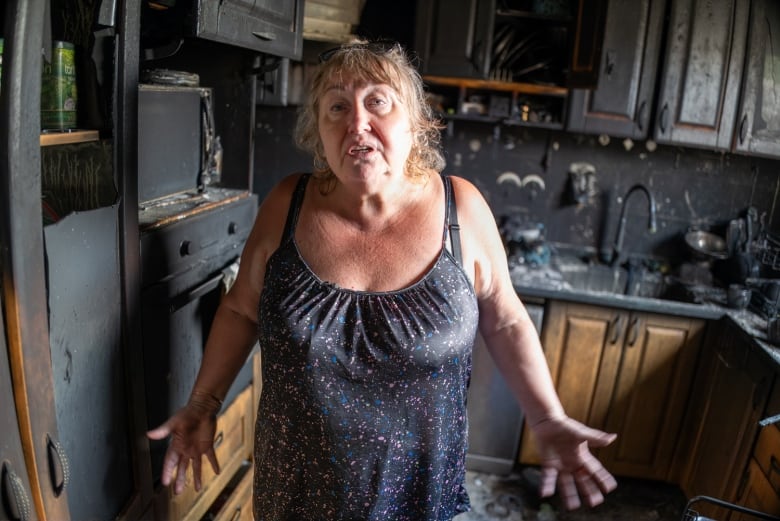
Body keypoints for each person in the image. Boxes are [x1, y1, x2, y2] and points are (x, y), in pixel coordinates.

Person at [147, 40, 618, 520]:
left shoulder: (462, 208)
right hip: (296, 499)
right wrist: (203, 402)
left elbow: (506, 318)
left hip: (416, 501)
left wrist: (546, 416)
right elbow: (240, 309)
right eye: (336, 107)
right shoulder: (287, 203)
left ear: (415, 122)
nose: (357, 122)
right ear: (318, 132)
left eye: (378, 101)